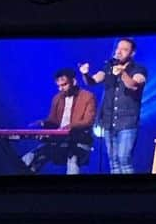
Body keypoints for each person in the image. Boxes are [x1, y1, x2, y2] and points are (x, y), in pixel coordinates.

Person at [80, 37, 149, 174]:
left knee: (124, 160)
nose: (119, 52)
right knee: (113, 162)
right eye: (118, 48)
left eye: (124, 49)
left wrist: (122, 73)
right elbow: (92, 81)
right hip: (108, 122)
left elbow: (134, 85)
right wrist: (85, 74)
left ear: (132, 53)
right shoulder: (108, 67)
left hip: (127, 123)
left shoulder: (139, 69)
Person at [21, 67, 96, 175]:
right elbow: (53, 120)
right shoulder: (57, 98)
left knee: (73, 159)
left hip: (78, 140)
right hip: (59, 140)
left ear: (74, 81)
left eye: (64, 85)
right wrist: (41, 124)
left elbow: (88, 121)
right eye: (59, 86)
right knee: (33, 155)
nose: (61, 89)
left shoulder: (88, 96)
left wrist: (69, 127)